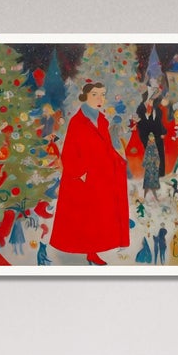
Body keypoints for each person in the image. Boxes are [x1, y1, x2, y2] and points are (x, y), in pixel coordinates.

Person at [49, 81, 130, 265]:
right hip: (83, 178)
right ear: (85, 96)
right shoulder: (77, 122)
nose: (100, 98)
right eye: (95, 94)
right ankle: (86, 251)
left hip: (101, 175)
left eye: (102, 94)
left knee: (99, 216)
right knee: (86, 217)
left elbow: (107, 147)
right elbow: (69, 152)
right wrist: (81, 174)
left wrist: (118, 161)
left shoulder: (102, 120)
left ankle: (93, 252)